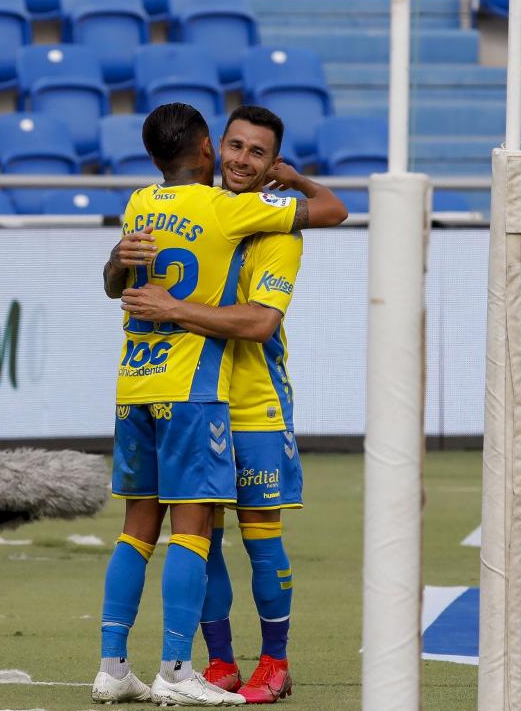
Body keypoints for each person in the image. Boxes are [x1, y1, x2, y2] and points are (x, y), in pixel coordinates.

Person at [91, 103, 347, 707]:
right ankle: (220, 661)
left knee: (259, 538)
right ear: (214, 146)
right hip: (201, 395)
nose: (242, 160)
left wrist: (173, 308)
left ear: (273, 164)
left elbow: (259, 323)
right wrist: (121, 265)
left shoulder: (277, 231)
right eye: (236, 146)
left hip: (253, 402)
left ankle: (275, 661)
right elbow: (120, 280)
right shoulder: (207, 210)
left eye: (258, 153)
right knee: (202, 535)